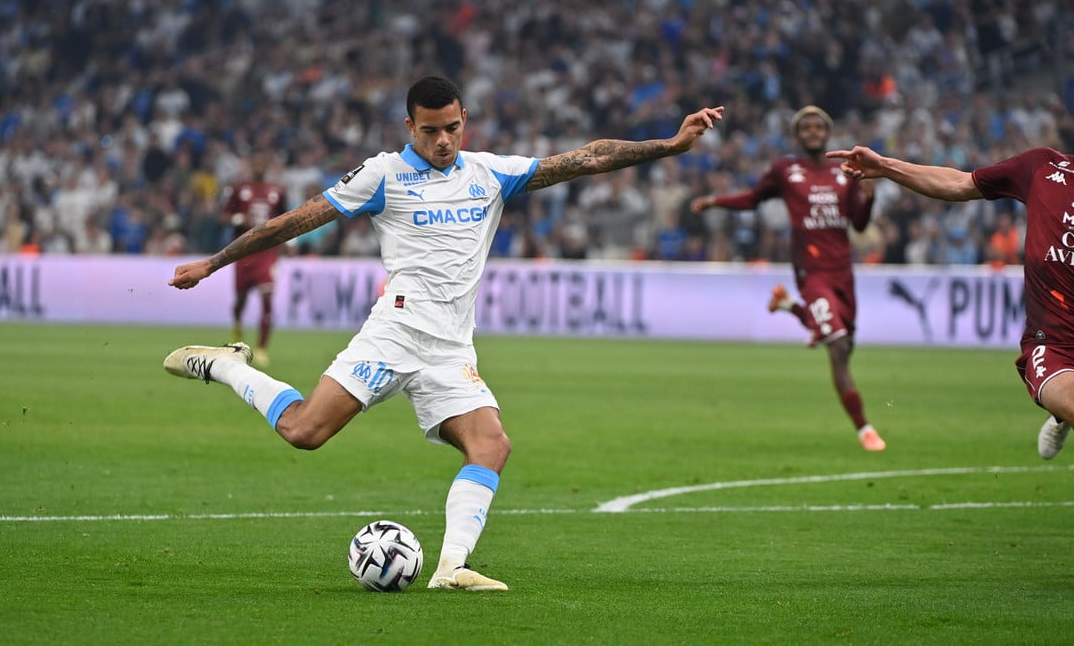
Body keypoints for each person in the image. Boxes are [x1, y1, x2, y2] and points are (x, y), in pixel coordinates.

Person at [164, 75, 724, 591]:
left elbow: (587, 158)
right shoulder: (383, 174)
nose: (443, 141)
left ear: (464, 120)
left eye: (452, 128)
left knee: (492, 445)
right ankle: (228, 365)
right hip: (395, 333)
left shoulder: (489, 173)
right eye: (430, 130)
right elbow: (296, 220)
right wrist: (213, 263)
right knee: (305, 432)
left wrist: (668, 145)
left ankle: (451, 567)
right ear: (410, 126)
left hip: (451, 348)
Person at [827, 144, 1074, 461]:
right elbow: (959, 183)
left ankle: (1060, 412)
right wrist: (886, 166)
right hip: (1055, 346)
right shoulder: (1043, 167)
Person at [689, 106, 886, 452]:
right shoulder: (785, 170)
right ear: (797, 135)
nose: (812, 131)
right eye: (805, 127)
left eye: (818, 126)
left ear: (828, 133)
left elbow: (858, 224)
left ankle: (789, 306)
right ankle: (864, 429)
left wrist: (869, 199)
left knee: (845, 343)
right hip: (811, 271)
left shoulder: (844, 172)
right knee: (838, 345)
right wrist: (715, 201)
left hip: (843, 271)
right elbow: (753, 199)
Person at [219, 150, 289, 367]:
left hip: (267, 253)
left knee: (267, 296)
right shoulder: (239, 189)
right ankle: (236, 330)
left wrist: (289, 243)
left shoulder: (277, 191)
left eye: (262, 162)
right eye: (255, 162)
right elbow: (223, 216)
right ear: (250, 164)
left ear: (266, 165)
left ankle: (261, 349)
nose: (259, 166)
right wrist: (240, 218)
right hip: (243, 252)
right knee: (240, 300)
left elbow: (286, 219)